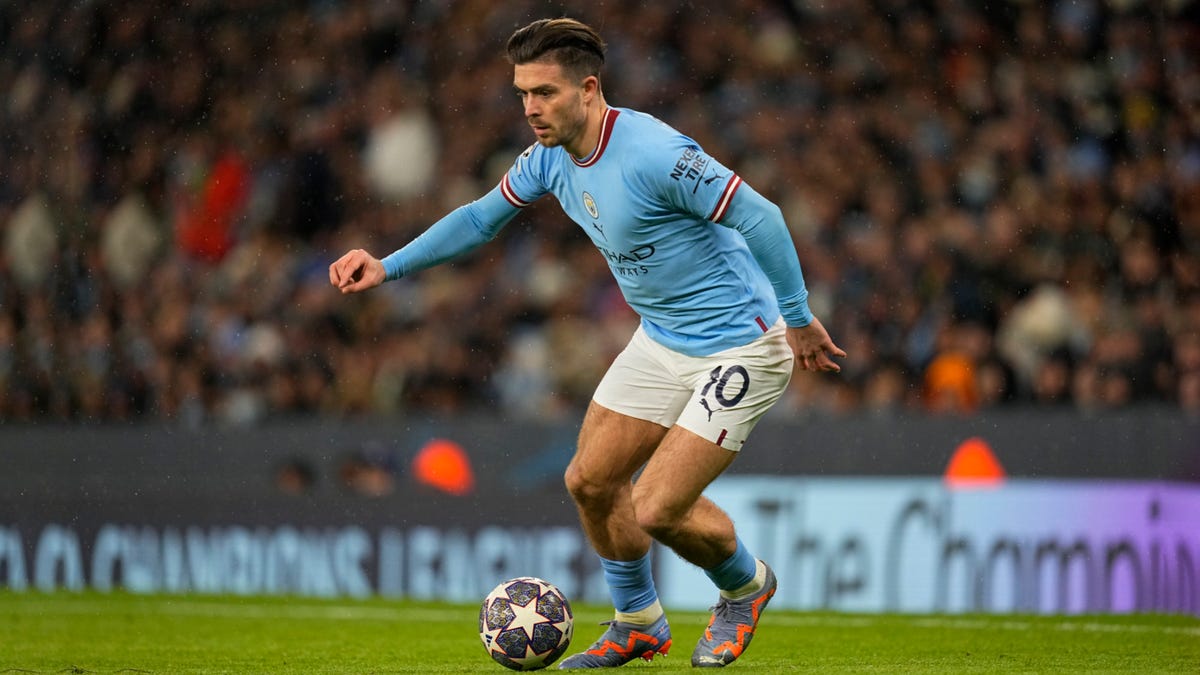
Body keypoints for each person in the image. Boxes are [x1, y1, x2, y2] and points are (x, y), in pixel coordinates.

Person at [329, 18, 844, 669]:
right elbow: (481, 218)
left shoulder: (656, 152)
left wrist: (798, 318)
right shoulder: (548, 157)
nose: (530, 108)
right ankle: (639, 622)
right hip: (661, 340)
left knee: (656, 504)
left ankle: (745, 587)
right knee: (591, 481)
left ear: (589, 88)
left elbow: (760, 215)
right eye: (522, 93)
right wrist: (386, 264)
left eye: (543, 92)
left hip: (740, 345)